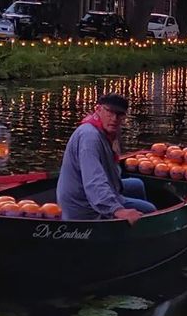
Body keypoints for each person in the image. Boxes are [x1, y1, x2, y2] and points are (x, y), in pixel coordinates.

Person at [56, 93, 156, 222]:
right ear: (98, 110)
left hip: (93, 191)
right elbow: (94, 181)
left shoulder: (108, 131)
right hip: (83, 205)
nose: (114, 118)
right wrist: (117, 210)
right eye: (110, 112)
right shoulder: (89, 137)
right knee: (150, 209)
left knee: (137, 185)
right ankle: (137, 235)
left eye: (119, 114)